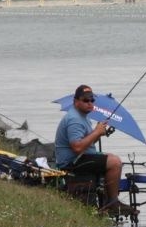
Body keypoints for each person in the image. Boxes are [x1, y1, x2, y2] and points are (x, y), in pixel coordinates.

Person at [54, 84, 135, 216]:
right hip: (72, 162)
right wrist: (96, 132)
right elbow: (77, 147)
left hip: (81, 157)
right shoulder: (74, 119)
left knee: (111, 157)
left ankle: (107, 200)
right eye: (85, 100)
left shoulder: (82, 116)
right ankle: (112, 203)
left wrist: (99, 133)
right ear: (76, 101)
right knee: (114, 162)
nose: (90, 103)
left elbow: (86, 142)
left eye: (92, 100)